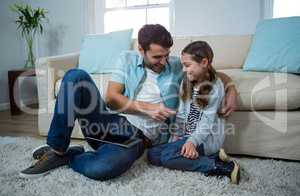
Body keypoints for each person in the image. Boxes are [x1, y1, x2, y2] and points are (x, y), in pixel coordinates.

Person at [20, 24, 238, 180]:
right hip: (110, 123)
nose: (164, 62)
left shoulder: (176, 65)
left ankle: (70, 156)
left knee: (101, 169)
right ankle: (57, 149)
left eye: (166, 55)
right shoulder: (126, 59)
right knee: (75, 76)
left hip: (137, 140)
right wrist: (147, 108)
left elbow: (210, 72)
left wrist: (230, 89)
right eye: (157, 57)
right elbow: (111, 99)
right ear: (141, 50)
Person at [147, 41, 240, 184]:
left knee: (167, 157)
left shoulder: (215, 86)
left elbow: (206, 123)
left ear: (204, 62)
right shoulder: (187, 82)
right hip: (187, 136)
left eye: (187, 65)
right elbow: (182, 114)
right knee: (152, 155)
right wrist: (176, 137)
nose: (184, 69)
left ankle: (220, 166)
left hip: (206, 140)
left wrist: (191, 142)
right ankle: (213, 157)